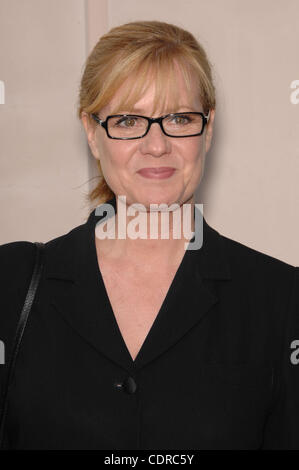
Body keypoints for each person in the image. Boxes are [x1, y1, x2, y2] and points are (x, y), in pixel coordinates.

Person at [0, 20, 298, 450]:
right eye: (127, 120)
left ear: (208, 128)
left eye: (179, 118)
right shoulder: (11, 283)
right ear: (91, 131)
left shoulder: (281, 299)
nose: (156, 144)